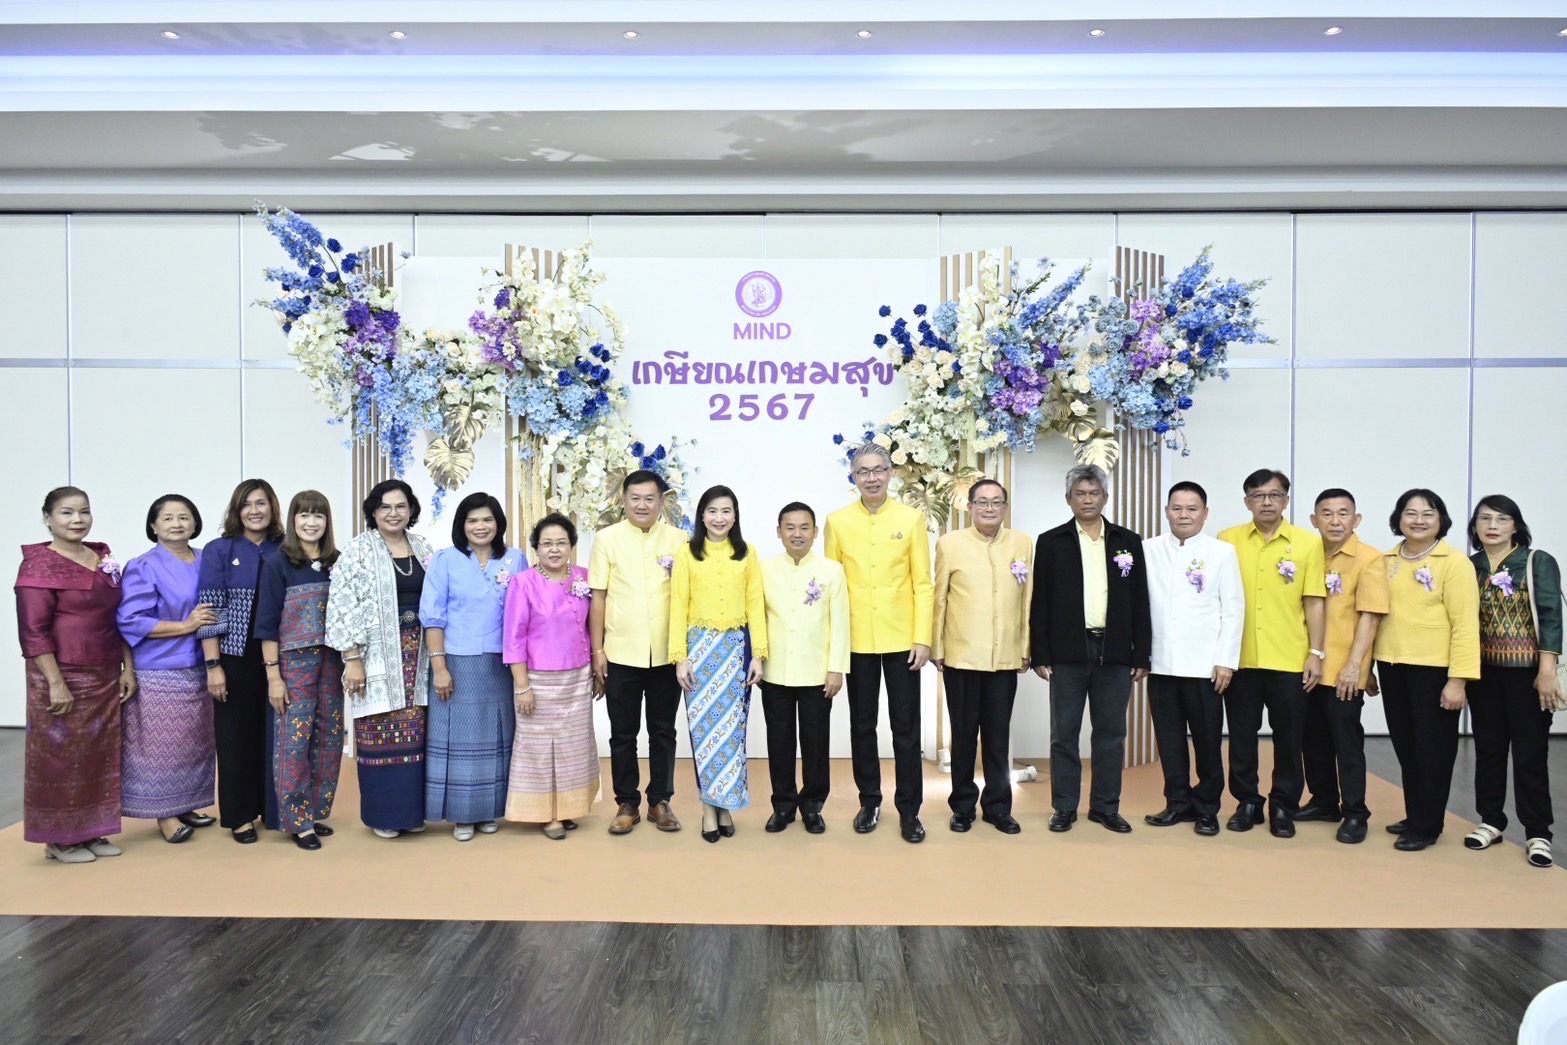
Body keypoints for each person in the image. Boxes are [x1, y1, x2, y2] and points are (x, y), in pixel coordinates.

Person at [15, 486, 136, 863]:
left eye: (84, 511)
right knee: (61, 756)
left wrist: (128, 668)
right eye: (67, 513)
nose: (77, 520)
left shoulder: (100, 556)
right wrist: (56, 683)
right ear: (47, 518)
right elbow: (33, 632)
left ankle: (93, 829)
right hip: (61, 673)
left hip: (105, 671)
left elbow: (119, 618)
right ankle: (60, 840)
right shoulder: (38, 565)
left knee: (100, 753)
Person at [1030, 463, 1152, 834]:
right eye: (1080, 494)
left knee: (1111, 735)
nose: (1087, 499)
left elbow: (1140, 600)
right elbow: (1040, 602)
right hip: (1067, 653)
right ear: (1068, 499)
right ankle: (1064, 807)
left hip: (1114, 652)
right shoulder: (1051, 541)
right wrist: (1041, 654)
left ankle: (1105, 807)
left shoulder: (1127, 541)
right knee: (1064, 735)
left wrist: (1141, 653)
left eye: (1094, 493)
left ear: (1105, 497)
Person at [825, 443, 934, 843]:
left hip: (902, 639)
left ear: (891, 473)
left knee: (906, 728)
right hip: (856, 641)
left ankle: (910, 810)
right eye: (863, 471)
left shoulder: (911, 518)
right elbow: (831, 587)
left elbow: (923, 583)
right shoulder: (837, 522)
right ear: (853, 476)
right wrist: (834, 646)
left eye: (878, 470)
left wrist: (922, 637)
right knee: (862, 725)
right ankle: (869, 801)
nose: (871, 478)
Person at [1218, 469, 1327, 838]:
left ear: (1286, 500)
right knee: (1241, 736)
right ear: (1246, 501)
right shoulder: (1228, 540)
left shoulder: (1307, 543)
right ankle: (1247, 802)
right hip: (1241, 659)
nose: (1267, 502)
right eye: (1258, 495)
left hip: (1289, 658)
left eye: (1275, 495)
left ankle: (1283, 805)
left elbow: (1314, 601)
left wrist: (1315, 653)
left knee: (1289, 738)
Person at [326, 479, 435, 838]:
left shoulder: (423, 547)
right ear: (373, 511)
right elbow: (342, 605)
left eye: (401, 506)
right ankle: (384, 815)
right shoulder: (357, 550)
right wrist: (352, 658)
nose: (393, 513)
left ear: (411, 510)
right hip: (375, 655)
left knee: (416, 736)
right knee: (379, 734)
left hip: (418, 655)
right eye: (385, 507)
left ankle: (411, 813)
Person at [1374, 488, 1480, 852]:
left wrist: (1458, 680)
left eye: (1428, 514)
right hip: (1392, 665)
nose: (1418, 520)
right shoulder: (1386, 559)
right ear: (1398, 518)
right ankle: (1416, 813)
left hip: (1434, 671)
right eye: (1411, 513)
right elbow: (1372, 616)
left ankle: (1427, 826)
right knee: (1406, 746)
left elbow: (1465, 625)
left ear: (1441, 520)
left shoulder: (1454, 562)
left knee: (1432, 750)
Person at [420, 492, 527, 841]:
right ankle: (462, 816)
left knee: (497, 737)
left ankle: (489, 811)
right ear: (462, 525)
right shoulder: (445, 559)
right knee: (460, 739)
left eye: (487, 519)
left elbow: (524, 612)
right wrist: (440, 667)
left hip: (501, 662)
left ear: (498, 523)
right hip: (456, 660)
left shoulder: (515, 559)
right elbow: (433, 616)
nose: (481, 526)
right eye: (473, 520)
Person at [589, 469, 689, 835]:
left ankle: (660, 801)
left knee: (663, 731)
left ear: (662, 502)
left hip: (666, 652)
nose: (642, 505)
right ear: (624, 500)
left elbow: (687, 596)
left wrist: (684, 651)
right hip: (620, 652)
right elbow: (598, 597)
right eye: (635, 498)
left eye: (650, 498)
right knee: (623, 733)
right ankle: (627, 803)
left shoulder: (680, 540)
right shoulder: (606, 539)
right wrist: (597, 649)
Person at [1465, 494, 1561, 867]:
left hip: (1528, 676)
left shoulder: (1536, 561)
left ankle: (1538, 833)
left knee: (1530, 754)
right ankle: (1490, 821)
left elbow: (1551, 616)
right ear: (1474, 526)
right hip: (1483, 674)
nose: (1492, 526)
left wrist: (1546, 671)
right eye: (1485, 518)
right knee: (1488, 750)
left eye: (1502, 519)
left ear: (1515, 526)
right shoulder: (1468, 566)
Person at [1142, 480, 1242, 837]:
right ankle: (1177, 803)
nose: (1183, 515)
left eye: (1192, 509)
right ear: (1166, 512)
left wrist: (1226, 660)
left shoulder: (1222, 552)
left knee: (1207, 741)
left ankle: (1207, 808)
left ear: (1205, 513)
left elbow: (1233, 609)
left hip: (1205, 667)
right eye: (1177, 508)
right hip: (1161, 664)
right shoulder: (1148, 549)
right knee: (1169, 740)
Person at [932, 479, 1033, 835]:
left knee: (998, 737)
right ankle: (962, 807)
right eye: (982, 502)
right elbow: (939, 599)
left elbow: (1027, 599)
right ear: (970, 507)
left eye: (996, 502)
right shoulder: (950, 544)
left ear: (1005, 507)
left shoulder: (1022, 543)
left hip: (1004, 656)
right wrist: (937, 647)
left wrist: (1025, 647)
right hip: (962, 657)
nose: (989, 508)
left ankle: (998, 807)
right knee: (962, 737)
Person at [116, 494, 218, 844]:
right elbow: (130, 620)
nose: (177, 524)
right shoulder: (143, 566)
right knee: (161, 748)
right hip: (159, 670)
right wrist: (186, 625)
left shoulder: (208, 559)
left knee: (195, 744)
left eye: (184, 517)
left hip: (202, 665)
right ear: (154, 525)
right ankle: (164, 813)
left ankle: (186, 804)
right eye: (168, 518)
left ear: (195, 522)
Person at [671, 485, 768, 843]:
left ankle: (724, 804)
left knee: (731, 734)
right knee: (705, 734)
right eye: (712, 511)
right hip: (699, 652)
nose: (719, 518)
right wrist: (680, 658)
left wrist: (758, 654)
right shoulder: (687, 553)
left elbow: (755, 604)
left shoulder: (747, 553)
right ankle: (708, 808)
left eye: (726, 511)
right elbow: (678, 605)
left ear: (735, 515)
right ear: (702, 515)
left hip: (735, 651)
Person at [1297, 489, 1389, 844]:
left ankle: (1355, 812)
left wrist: (1357, 666)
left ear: (1356, 519)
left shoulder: (1368, 558)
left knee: (1346, 742)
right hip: (1308, 665)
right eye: (1327, 514)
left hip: (1343, 671)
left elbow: (1371, 616)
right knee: (1312, 738)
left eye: (1343, 514)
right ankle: (1323, 801)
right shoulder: (1308, 553)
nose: (1335, 521)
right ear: (1314, 520)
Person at [255, 490, 345, 851]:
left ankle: (314, 811)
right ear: (293, 520)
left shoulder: (339, 561)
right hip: (293, 665)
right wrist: (273, 677)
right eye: (304, 515)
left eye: (318, 515)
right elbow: (267, 624)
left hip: (333, 662)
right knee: (293, 742)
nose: (311, 522)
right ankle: (296, 820)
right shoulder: (278, 562)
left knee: (329, 739)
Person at [503, 513, 601, 840]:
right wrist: (522, 686)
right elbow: (513, 638)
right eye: (547, 543)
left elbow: (594, 626)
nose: (554, 549)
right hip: (538, 679)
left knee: (575, 746)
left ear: (572, 545)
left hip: (578, 677)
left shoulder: (584, 577)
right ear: (536, 548)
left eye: (561, 542)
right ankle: (547, 815)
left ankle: (569, 808)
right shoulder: (523, 582)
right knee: (540, 748)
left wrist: (597, 670)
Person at [198, 478, 284, 844]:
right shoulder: (220, 549)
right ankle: (240, 815)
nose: (254, 510)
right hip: (234, 656)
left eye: (261, 503)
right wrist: (213, 665)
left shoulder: (286, 547)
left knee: (276, 735)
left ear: (272, 507)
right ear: (236, 510)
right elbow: (210, 609)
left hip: (279, 654)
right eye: (246, 504)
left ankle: (276, 809)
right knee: (234, 737)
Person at [759, 501, 848, 835]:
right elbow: (756, 618)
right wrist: (757, 659)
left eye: (804, 527)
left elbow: (840, 623)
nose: (797, 534)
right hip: (775, 672)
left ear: (815, 532)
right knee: (779, 742)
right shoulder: (764, 569)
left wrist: (836, 668)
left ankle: (812, 806)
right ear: (779, 531)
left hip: (817, 674)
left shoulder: (831, 570)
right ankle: (782, 806)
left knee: (815, 744)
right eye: (790, 527)